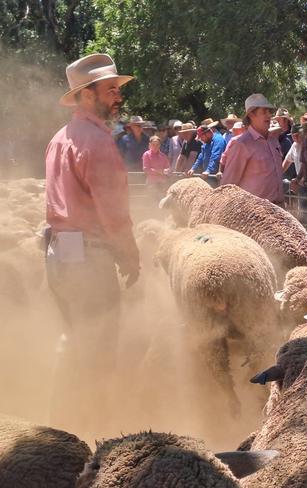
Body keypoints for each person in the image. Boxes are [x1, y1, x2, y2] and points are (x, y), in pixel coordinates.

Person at [45, 53, 140, 435]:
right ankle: (88, 431)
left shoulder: (59, 139)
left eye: (118, 90)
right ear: (87, 95)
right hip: (88, 256)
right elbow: (113, 213)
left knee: (75, 339)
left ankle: (60, 426)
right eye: (111, 90)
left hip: (59, 253)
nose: (118, 97)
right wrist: (131, 256)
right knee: (97, 349)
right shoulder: (97, 143)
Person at [220, 93, 284, 204]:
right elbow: (228, 186)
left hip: (279, 209)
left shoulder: (274, 141)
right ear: (251, 114)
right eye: (264, 112)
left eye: (269, 111)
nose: (269, 115)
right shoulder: (241, 144)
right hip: (255, 214)